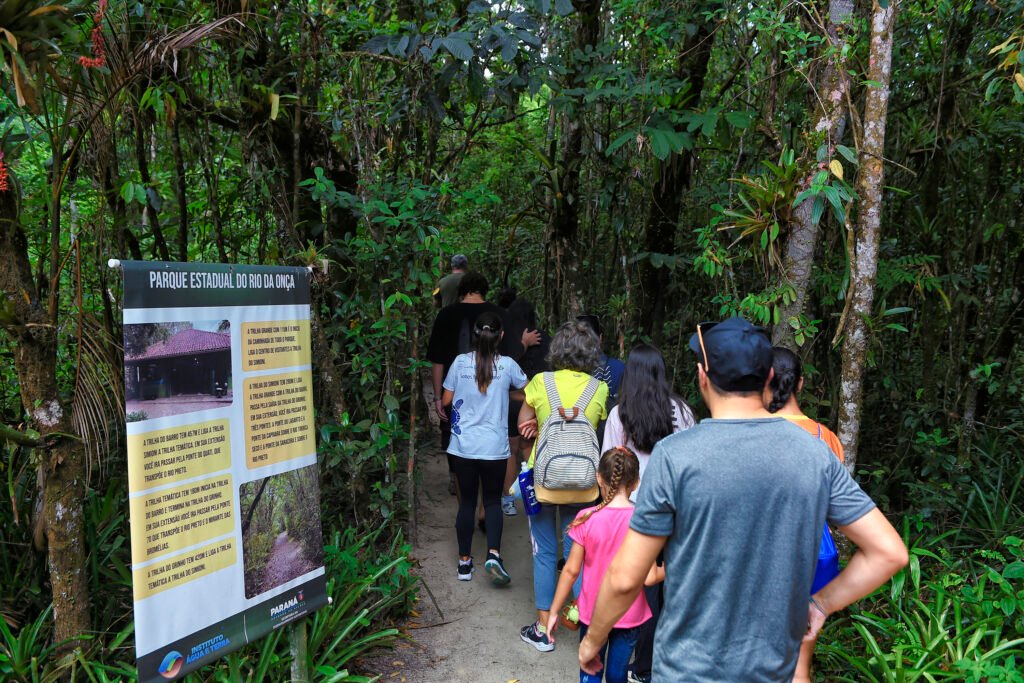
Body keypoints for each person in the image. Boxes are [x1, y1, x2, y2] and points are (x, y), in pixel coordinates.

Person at [581, 316, 908, 680]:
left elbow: (626, 577)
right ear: (769, 379)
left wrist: (592, 642)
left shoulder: (675, 456)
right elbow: (889, 552)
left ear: (702, 377)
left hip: (687, 671)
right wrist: (819, 605)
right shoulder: (815, 455)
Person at [599, 344, 694, 683]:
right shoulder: (681, 412)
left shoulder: (619, 414)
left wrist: (607, 508)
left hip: (633, 512)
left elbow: (610, 467)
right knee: (669, 587)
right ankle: (651, 666)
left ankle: (629, 660)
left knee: (636, 588)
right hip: (674, 509)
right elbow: (690, 463)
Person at [517, 319, 609, 653]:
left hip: (544, 480)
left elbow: (523, 423)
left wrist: (532, 432)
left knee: (544, 552)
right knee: (577, 553)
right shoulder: (598, 389)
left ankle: (543, 630)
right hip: (584, 484)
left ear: (557, 350)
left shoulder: (541, 382)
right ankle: (584, 626)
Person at [764, 346, 844, 683]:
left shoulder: (751, 434)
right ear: (800, 383)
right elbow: (836, 507)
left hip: (762, 556)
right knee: (800, 662)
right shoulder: (826, 438)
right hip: (811, 554)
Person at [546, 447, 655, 683]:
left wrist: (554, 611)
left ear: (598, 477)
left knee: (590, 673)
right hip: (630, 612)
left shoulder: (586, 517)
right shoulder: (642, 519)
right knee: (617, 675)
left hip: (593, 613)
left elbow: (571, 570)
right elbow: (648, 577)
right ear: (636, 482)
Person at [427, 272, 539, 494]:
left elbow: (437, 360)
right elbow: (512, 357)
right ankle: (486, 506)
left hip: (457, 396)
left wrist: (438, 397)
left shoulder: (446, 315)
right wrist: (524, 344)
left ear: (461, 291)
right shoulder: (499, 315)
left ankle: (458, 483)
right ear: (484, 290)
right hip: (494, 404)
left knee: (454, 436)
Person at [441, 312, 527, 584]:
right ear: (501, 336)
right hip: (494, 449)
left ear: (475, 336)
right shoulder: (509, 365)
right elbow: (527, 392)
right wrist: (505, 392)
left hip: (463, 447)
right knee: (492, 502)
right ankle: (493, 555)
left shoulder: (459, 362)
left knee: (467, 503)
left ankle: (464, 564)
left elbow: (446, 399)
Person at [500, 295, 551, 516]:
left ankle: (508, 500)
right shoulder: (545, 338)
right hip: (537, 402)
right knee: (532, 448)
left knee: (511, 451)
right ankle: (537, 496)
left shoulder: (506, 339)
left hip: (512, 402)